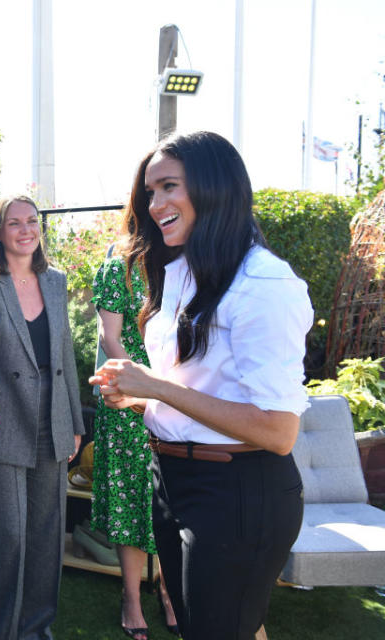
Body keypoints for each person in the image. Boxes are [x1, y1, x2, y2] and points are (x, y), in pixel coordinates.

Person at [90, 131, 312, 640]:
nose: (155, 203)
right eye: (150, 192)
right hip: (173, 478)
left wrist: (159, 389)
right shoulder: (182, 271)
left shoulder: (264, 284)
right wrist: (140, 395)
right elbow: (197, 386)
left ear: (214, 187)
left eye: (168, 186)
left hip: (236, 491)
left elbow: (278, 432)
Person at [0, 194, 85, 640]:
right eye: (14, 223)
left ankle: (36, 630)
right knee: (7, 539)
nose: (26, 230)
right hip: (4, 425)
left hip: (51, 424)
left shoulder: (54, 280)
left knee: (46, 536)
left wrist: (74, 420)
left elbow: (64, 355)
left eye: (32, 221)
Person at [90, 250, 178, 639]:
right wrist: (139, 388)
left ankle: (168, 589)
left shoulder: (183, 268)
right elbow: (109, 337)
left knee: (169, 499)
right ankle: (131, 598)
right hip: (126, 402)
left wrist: (167, 393)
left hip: (177, 401)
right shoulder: (118, 269)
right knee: (131, 501)